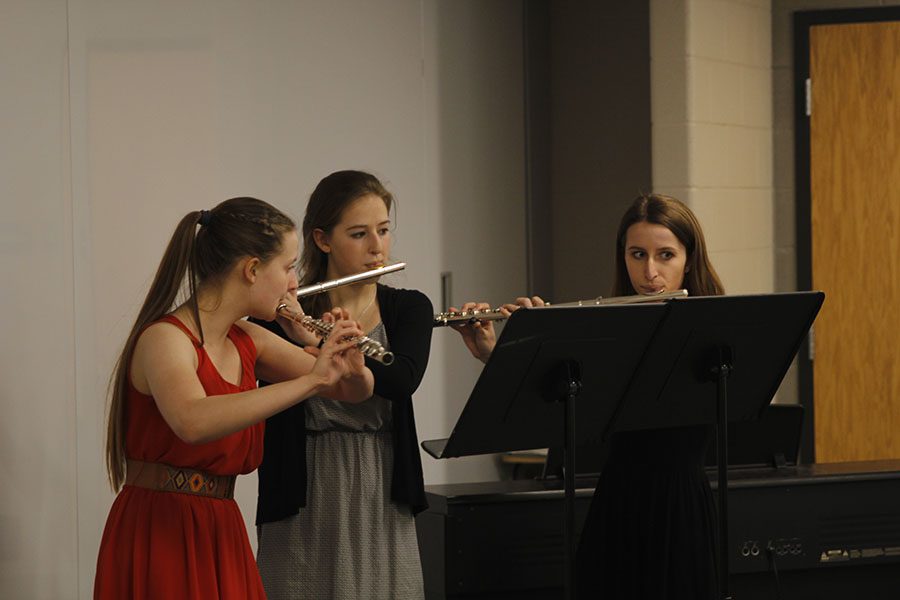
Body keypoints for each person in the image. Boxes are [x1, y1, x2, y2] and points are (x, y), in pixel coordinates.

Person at [93, 197, 374, 599]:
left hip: (220, 526)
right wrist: (312, 380)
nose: (295, 283)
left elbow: (351, 391)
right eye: (289, 267)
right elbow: (193, 421)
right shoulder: (165, 339)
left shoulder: (249, 339)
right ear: (252, 270)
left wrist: (343, 357)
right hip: (161, 530)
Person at [451, 193, 724, 599]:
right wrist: (507, 352)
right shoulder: (605, 328)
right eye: (637, 254)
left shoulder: (715, 329)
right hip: (618, 507)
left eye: (665, 255)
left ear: (689, 258)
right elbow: (559, 410)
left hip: (681, 510)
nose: (650, 271)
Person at [254, 170, 433, 600]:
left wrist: (317, 340)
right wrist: (301, 328)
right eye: (359, 234)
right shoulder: (284, 315)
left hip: (382, 484)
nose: (378, 247)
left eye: (384, 230)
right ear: (323, 239)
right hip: (305, 486)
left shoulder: (409, 307)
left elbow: (401, 378)